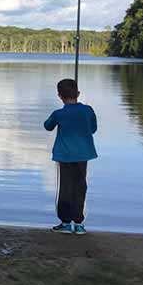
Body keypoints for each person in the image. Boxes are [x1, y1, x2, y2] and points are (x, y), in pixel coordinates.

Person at [44, 78, 97, 235]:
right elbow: (93, 129)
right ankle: (79, 223)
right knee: (80, 186)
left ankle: (66, 222)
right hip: (83, 155)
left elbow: (47, 126)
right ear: (78, 93)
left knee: (65, 188)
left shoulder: (59, 114)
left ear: (59, 96)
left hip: (65, 156)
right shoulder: (88, 111)